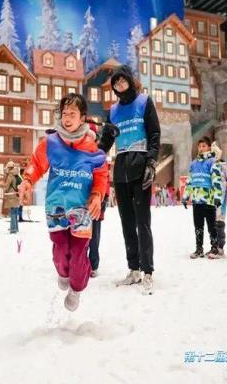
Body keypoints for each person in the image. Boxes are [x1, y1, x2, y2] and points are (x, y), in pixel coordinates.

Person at [19, 93, 108, 311]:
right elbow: (36, 164)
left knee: (78, 253)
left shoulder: (93, 149)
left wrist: (97, 195)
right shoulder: (51, 143)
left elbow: (101, 175)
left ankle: (76, 289)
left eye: (72, 114)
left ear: (83, 118)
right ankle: (63, 273)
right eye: (64, 113)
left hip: (82, 209)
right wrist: (27, 181)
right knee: (60, 250)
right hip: (56, 207)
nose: (67, 118)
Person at [99, 65, 160, 295]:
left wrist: (151, 162)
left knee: (142, 222)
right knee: (126, 222)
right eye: (115, 83)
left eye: (122, 80)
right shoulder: (113, 111)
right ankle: (133, 269)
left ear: (130, 80)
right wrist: (93, 155)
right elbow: (106, 141)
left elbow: (154, 134)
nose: (119, 85)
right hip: (121, 167)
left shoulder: (144, 102)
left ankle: (147, 271)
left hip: (141, 165)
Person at [182, 137, 223, 259]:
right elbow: (189, 181)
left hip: (209, 199)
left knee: (211, 225)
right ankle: (199, 248)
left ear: (209, 147)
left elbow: (217, 180)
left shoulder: (212, 162)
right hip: (196, 200)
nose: (201, 148)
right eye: (199, 146)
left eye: (204, 146)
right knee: (198, 226)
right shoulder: (194, 163)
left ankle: (214, 247)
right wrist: (185, 196)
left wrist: (217, 197)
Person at [87, 122, 110, 278]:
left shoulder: (99, 155)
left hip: (96, 200)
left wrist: (104, 198)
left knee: (94, 235)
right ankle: (80, 263)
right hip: (80, 200)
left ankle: (93, 264)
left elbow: (104, 178)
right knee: (79, 234)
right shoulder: (77, 153)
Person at [212, 141, 227, 256]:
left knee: (219, 223)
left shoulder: (222, 166)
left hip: (220, 201)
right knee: (213, 224)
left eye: (216, 154)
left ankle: (220, 247)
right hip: (212, 200)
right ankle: (214, 246)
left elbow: (223, 184)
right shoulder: (211, 166)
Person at [3, 161, 20, 234]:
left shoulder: (10, 175)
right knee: (15, 213)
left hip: (11, 196)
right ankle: (16, 228)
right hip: (16, 195)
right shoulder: (16, 174)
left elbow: (7, 186)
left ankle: (13, 229)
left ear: (9, 168)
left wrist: (4, 191)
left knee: (12, 213)